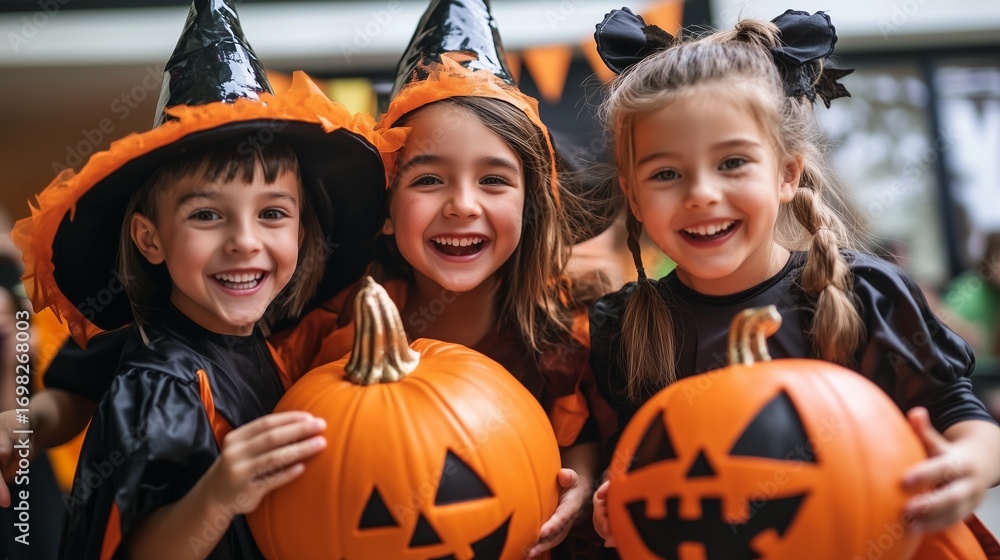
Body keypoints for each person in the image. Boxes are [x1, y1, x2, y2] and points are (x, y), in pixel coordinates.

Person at [585, 7, 1000, 554]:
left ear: (786, 174)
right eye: (666, 174)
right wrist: (616, 507)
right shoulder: (624, 326)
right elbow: (647, 464)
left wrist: (966, 465)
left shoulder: (865, 293)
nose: (702, 193)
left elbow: (964, 416)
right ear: (633, 197)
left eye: (732, 163)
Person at [7, 1, 392, 558]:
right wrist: (219, 493)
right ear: (150, 239)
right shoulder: (161, 386)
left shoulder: (264, 336)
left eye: (272, 213)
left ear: (303, 233)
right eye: (207, 215)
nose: (244, 241)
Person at [269, 1, 616, 557]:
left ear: (530, 207)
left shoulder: (567, 331)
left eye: (494, 180)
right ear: (385, 209)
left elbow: (578, 439)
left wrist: (575, 491)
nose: (462, 205)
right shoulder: (329, 329)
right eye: (429, 179)